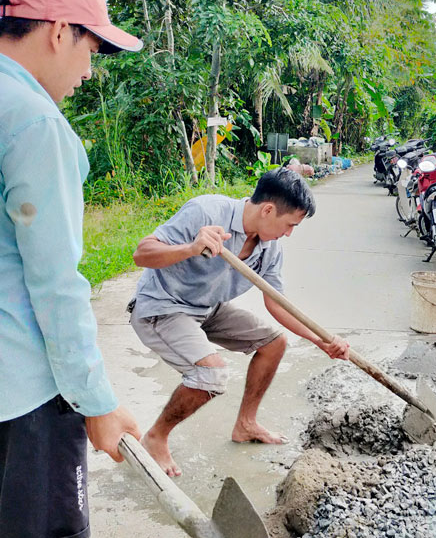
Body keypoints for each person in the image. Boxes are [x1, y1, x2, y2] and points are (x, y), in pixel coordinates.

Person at [0, 0, 142, 538]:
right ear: (58, 30)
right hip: (15, 371)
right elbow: (55, 282)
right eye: (91, 49)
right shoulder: (33, 122)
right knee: (26, 527)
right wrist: (96, 402)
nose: (90, 71)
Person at [129, 169, 349, 477]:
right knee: (211, 373)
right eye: (290, 225)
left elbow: (276, 302)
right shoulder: (206, 211)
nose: (289, 234)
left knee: (274, 343)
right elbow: (142, 254)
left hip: (207, 309)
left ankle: (246, 424)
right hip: (163, 307)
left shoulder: (269, 247)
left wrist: (320, 341)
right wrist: (191, 248)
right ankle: (156, 437)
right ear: (268, 210)